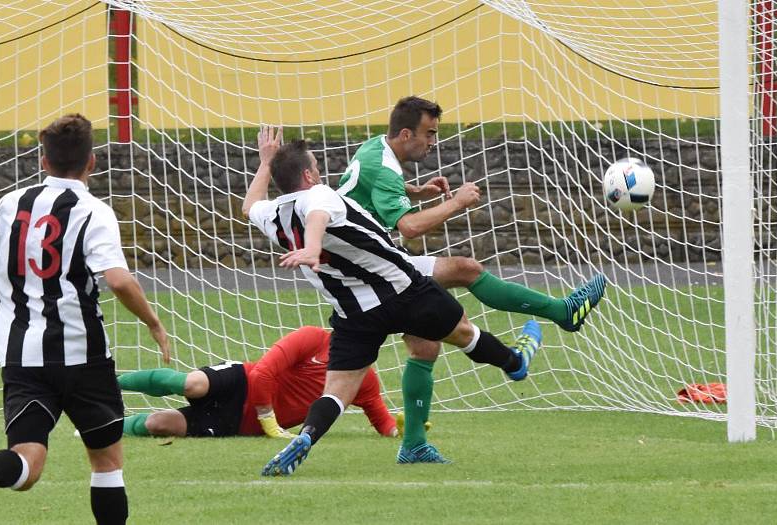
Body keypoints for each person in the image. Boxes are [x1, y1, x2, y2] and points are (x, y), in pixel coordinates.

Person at [242, 126, 541, 476]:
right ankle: (514, 362)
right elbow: (317, 217)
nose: (322, 173)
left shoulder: (273, 215)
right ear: (308, 175)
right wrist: (310, 247)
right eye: (318, 167)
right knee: (464, 333)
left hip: (354, 314)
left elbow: (250, 205)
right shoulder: (318, 196)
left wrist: (265, 162)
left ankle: (308, 435)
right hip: (403, 290)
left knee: (337, 392)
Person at [336, 95, 605, 453]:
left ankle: (415, 445)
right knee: (464, 276)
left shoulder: (375, 150)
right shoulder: (385, 168)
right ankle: (554, 320)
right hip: (367, 268)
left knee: (426, 341)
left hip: (363, 261)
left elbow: (364, 195)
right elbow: (410, 228)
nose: (433, 141)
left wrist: (416, 191)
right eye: (428, 133)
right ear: (404, 134)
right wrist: (456, 202)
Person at [0, 114, 169, 525]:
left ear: (42, 160)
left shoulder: (6, 205)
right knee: (106, 462)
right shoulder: (95, 211)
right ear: (92, 162)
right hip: (83, 356)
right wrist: (152, 322)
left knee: (26, 467)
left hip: (22, 355)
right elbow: (119, 280)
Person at [118, 325, 400, 439]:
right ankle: (111, 381)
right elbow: (261, 374)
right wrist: (269, 419)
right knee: (193, 384)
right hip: (240, 382)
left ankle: (104, 426)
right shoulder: (313, 338)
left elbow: (382, 422)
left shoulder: (363, 378)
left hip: (240, 424)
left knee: (158, 424)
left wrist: (402, 427)